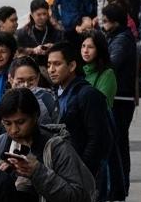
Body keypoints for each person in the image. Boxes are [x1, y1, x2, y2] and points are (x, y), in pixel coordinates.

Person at [0, 88, 94, 202]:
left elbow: (75, 199)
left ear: (36, 116)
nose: (14, 130)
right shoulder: (0, 144)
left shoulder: (57, 148)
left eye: (20, 122)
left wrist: (37, 172)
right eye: (7, 123)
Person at [47, 44, 113, 191]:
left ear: (71, 66)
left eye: (57, 64)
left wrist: (82, 169)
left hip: (82, 174)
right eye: (49, 64)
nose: (51, 69)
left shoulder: (88, 94)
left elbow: (98, 139)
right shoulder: (55, 94)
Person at [102, 3, 139, 202]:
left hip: (120, 99)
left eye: (106, 21)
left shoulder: (121, 40)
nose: (103, 25)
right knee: (118, 144)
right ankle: (118, 189)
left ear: (115, 22)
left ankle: (119, 191)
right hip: (120, 98)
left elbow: (111, 64)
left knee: (116, 145)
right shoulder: (118, 37)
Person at [9, 55, 59, 126]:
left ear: (38, 77)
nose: (26, 85)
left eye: (31, 80)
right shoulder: (6, 101)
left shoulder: (48, 98)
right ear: (11, 79)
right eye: (21, 81)